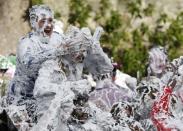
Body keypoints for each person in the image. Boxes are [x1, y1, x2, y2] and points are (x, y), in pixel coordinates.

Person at [7, 5, 65, 102]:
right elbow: (28, 64)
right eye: (43, 21)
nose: (48, 25)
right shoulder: (26, 43)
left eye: (50, 20)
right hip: (22, 99)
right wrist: (54, 52)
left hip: (49, 96)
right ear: (34, 23)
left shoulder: (57, 39)